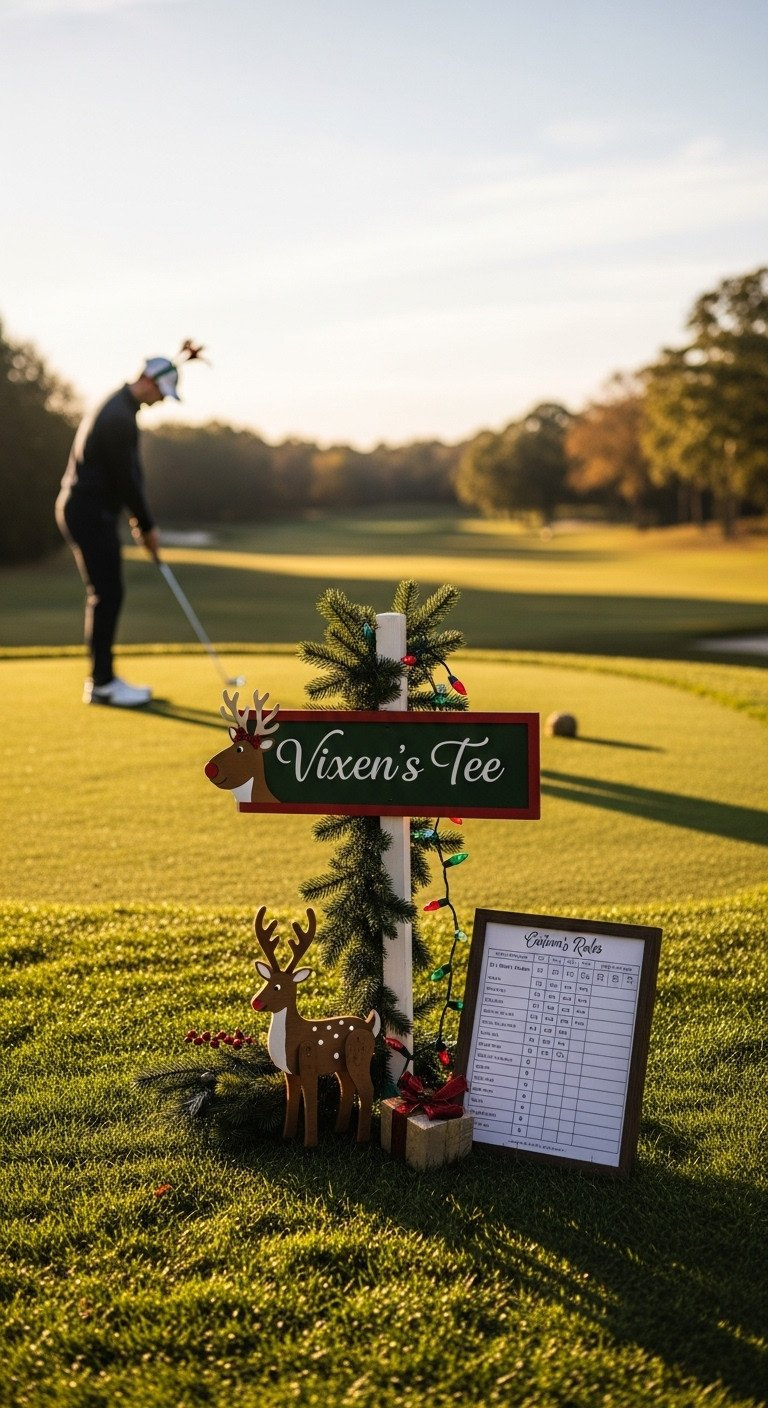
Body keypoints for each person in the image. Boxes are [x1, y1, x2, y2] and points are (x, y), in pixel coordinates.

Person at [56, 355, 181, 707]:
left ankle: (103, 680)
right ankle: (103, 683)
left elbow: (128, 477)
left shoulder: (120, 406)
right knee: (107, 593)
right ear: (147, 381)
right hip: (88, 511)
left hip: (87, 509)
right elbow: (127, 481)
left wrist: (141, 523)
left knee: (107, 592)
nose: (161, 400)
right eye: (161, 392)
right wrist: (146, 525)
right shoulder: (119, 418)